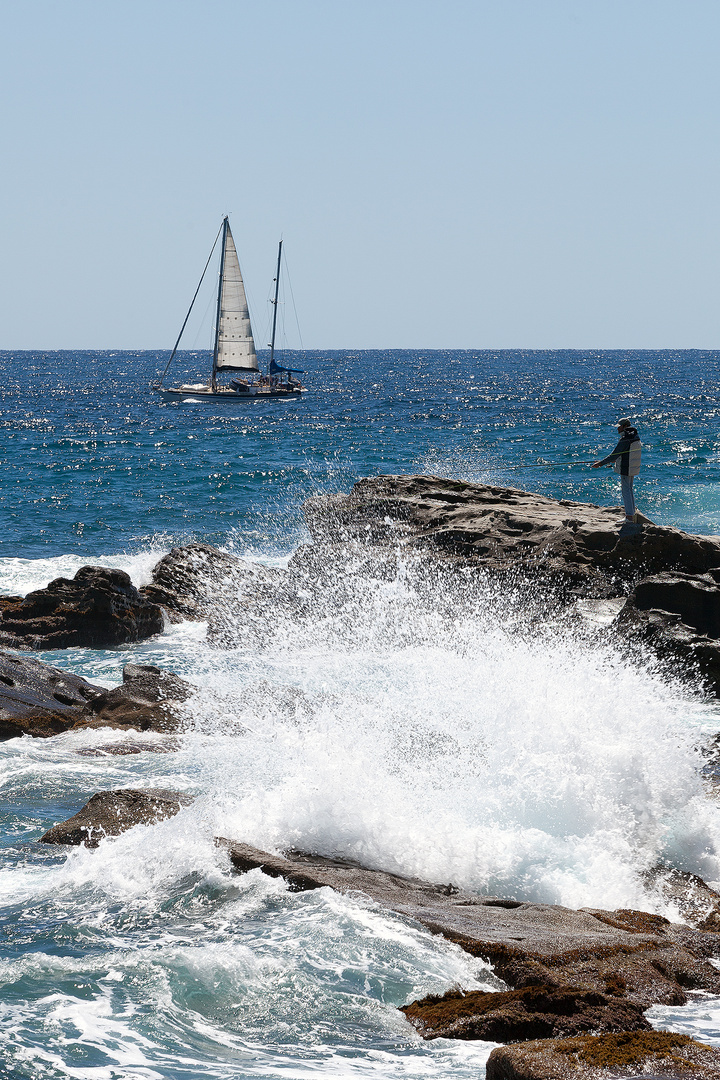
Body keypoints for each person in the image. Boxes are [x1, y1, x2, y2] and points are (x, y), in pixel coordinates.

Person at [591, 418, 642, 522]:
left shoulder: (625, 439)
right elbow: (626, 452)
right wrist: (614, 459)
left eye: (619, 426)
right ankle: (632, 514)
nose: (617, 429)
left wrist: (600, 464)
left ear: (624, 426)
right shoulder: (635, 436)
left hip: (626, 468)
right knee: (629, 490)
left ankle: (629, 517)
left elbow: (613, 456)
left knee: (626, 491)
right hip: (633, 466)